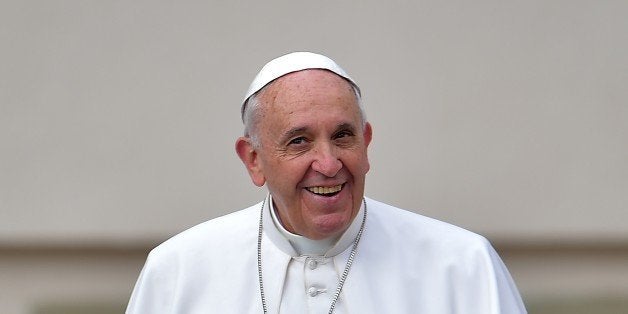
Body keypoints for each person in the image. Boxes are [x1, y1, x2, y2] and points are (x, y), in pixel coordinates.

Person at [126, 52, 527, 313]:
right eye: (298, 141)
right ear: (254, 159)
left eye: (342, 136)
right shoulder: (177, 271)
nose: (328, 163)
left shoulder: (463, 265)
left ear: (366, 144)